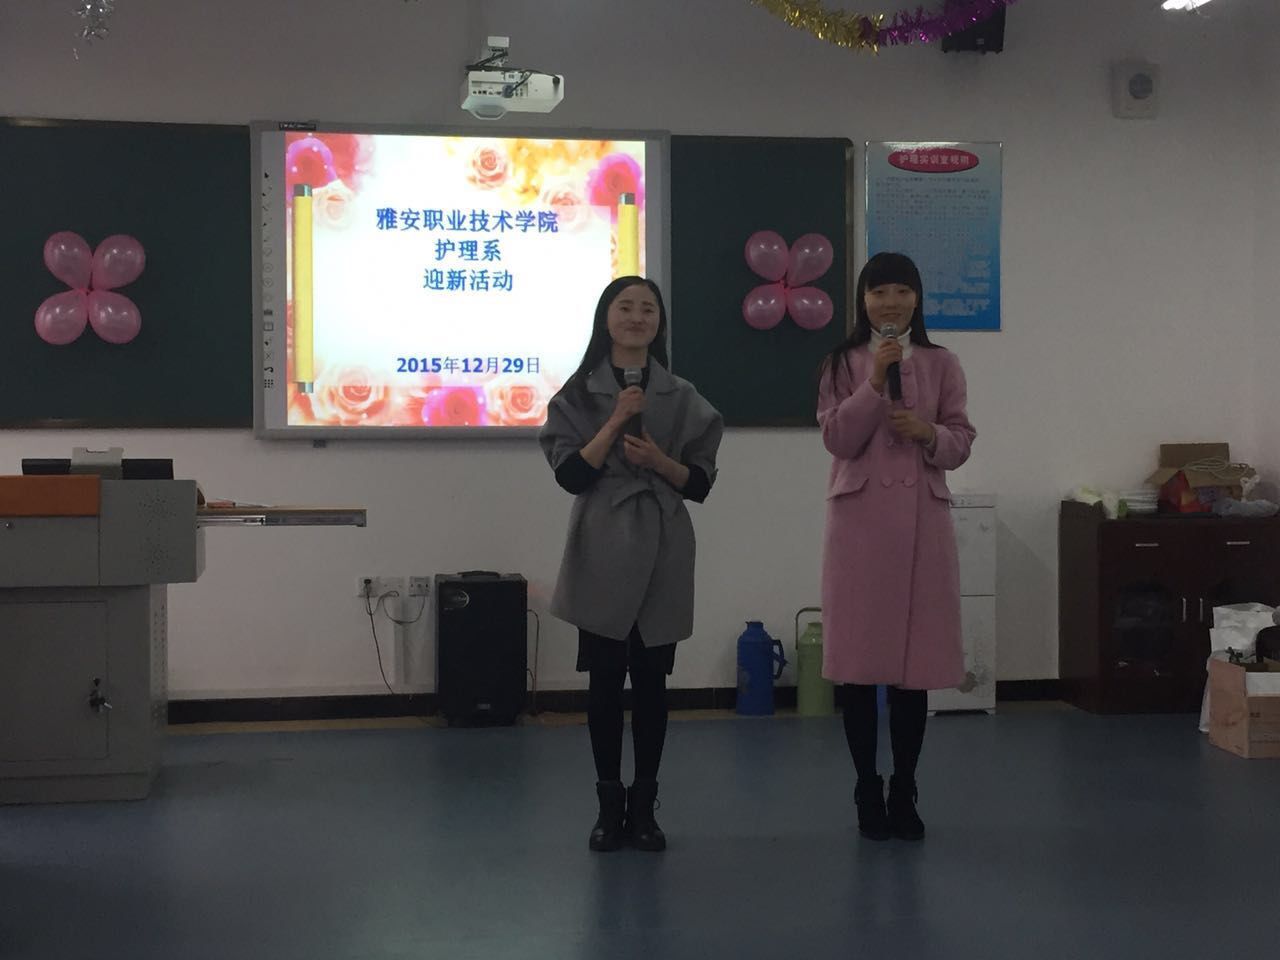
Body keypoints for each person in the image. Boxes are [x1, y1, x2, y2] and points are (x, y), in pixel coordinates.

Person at [539, 276, 723, 852]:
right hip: (602, 542)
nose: (637, 317)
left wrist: (661, 462)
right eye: (626, 307)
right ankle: (607, 806)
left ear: (659, 323)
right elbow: (571, 475)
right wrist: (616, 420)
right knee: (602, 682)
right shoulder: (577, 394)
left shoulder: (684, 395)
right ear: (606, 318)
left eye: (648, 308)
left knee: (650, 683)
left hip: (663, 544)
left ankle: (645, 807)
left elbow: (699, 484)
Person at [816, 252, 976, 842]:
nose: (890, 302)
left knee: (914, 672)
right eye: (879, 291)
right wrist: (874, 383)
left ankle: (904, 787)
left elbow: (961, 438)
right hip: (859, 527)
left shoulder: (942, 362)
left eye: (902, 291)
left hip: (921, 527)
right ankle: (866, 787)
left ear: (917, 299)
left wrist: (929, 433)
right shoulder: (842, 362)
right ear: (863, 301)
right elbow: (836, 436)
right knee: (859, 671)